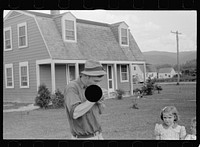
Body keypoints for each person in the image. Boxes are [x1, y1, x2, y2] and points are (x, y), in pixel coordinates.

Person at [64, 59, 107, 140]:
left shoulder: (93, 88)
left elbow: (101, 111)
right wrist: (94, 99)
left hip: (98, 135)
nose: (97, 84)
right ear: (86, 76)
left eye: (99, 82)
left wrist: (100, 100)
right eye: (95, 81)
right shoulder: (72, 88)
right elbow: (75, 113)